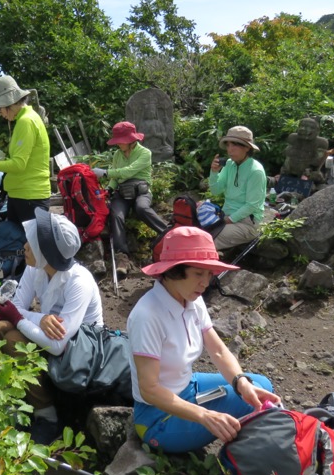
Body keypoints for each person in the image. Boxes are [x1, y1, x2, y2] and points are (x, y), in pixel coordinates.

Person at [128, 225, 279, 453]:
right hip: (156, 416)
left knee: (259, 387)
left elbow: (217, 350)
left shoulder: (192, 300)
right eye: (199, 273)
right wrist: (204, 415)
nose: (205, 283)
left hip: (188, 386)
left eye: (209, 274)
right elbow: (149, 389)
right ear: (174, 271)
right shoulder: (147, 315)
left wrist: (240, 381)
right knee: (249, 403)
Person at [0, 208, 103, 444]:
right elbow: (13, 307)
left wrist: (21, 317)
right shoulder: (35, 268)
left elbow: (58, 344)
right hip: (53, 338)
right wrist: (37, 318)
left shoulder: (79, 282)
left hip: (80, 351)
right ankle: (16, 396)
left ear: (46, 252)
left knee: (10, 338)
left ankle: (47, 416)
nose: (25, 247)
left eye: (31, 244)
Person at [0, 76, 50, 224]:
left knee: (26, 246)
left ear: (8, 103)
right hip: (23, 195)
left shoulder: (26, 121)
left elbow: (18, 165)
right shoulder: (26, 118)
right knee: (19, 245)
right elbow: (21, 161)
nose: (1, 114)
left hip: (29, 197)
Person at [93, 121, 167, 278]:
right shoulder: (117, 155)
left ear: (131, 139)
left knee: (141, 208)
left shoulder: (145, 153)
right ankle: (122, 258)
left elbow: (127, 172)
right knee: (116, 214)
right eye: (117, 141)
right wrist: (108, 190)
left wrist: (106, 173)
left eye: (121, 140)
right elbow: (116, 178)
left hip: (141, 191)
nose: (119, 144)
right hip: (122, 192)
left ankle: (169, 232)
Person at [208, 126, 267, 252]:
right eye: (228, 145)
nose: (230, 150)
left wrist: (228, 220)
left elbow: (252, 204)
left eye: (235, 145)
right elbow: (215, 190)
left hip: (247, 223)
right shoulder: (230, 164)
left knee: (207, 239)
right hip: (226, 215)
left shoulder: (255, 171)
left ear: (247, 148)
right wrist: (214, 173)